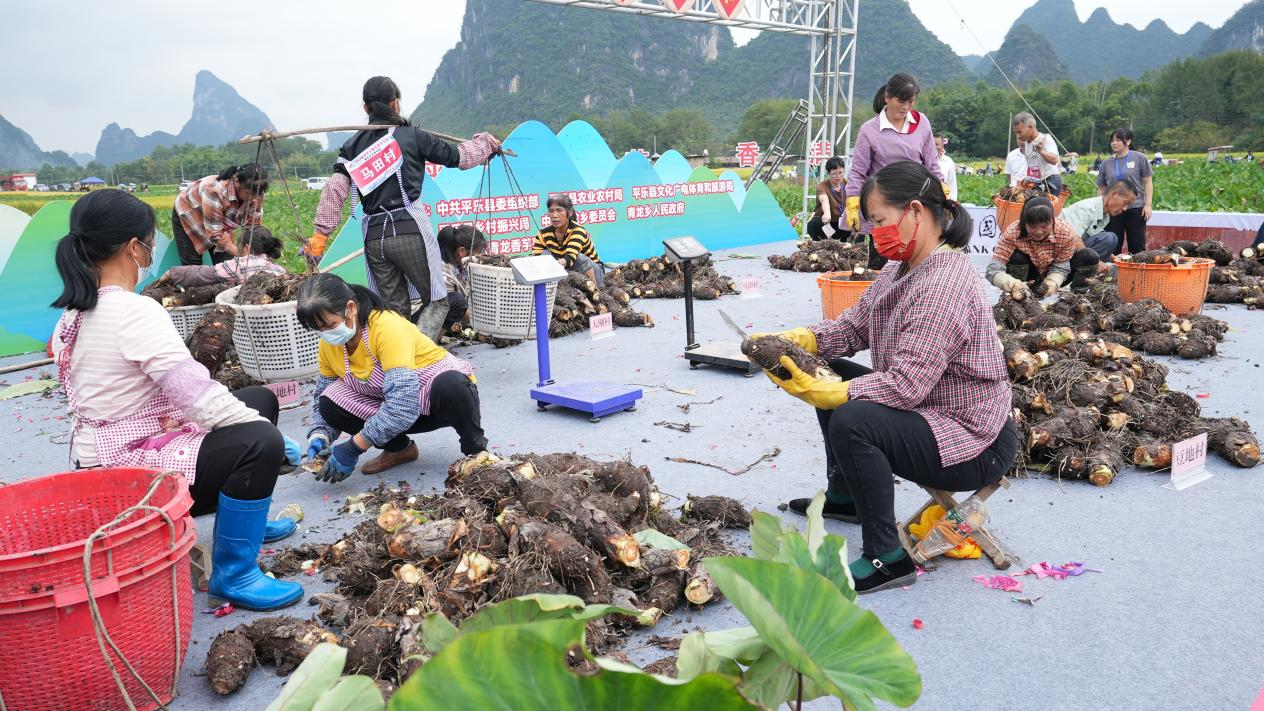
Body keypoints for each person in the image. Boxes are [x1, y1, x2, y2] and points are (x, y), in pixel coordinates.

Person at [758, 161, 1017, 594]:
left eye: (879, 221)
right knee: (833, 373)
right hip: (930, 409)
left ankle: (887, 558)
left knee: (852, 418)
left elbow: (904, 386)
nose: (874, 232)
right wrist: (799, 342)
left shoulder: (944, 286)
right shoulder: (903, 267)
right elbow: (854, 326)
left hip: (972, 439)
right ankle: (845, 495)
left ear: (915, 212)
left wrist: (832, 391)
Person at [50, 189, 304, 611]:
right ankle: (235, 573)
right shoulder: (134, 311)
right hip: (131, 482)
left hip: (103, 460)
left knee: (258, 399)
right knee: (261, 440)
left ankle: (247, 525)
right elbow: (197, 397)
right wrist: (270, 439)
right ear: (134, 247)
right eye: (150, 243)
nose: (151, 252)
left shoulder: (73, 314)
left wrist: (245, 418)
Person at [308, 76, 502, 341]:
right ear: (395, 104)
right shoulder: (413, 136)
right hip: (410, 232)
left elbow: (335, 190)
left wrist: (319, 239)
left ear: (366, 108)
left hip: (375, 239)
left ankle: (401, 359)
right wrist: (485, 144)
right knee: (437, 301)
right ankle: (420, 354)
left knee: (393, 312)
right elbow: (459, 157)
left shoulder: (351, 147)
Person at [297, 273, 488, 479]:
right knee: (328, 402)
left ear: (350, 308)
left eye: (329, 325)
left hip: (434, 404)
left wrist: (354, 447)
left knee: (452, 385)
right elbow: (322, 396)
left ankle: (477, 454)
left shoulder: (386, 327)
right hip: (388, 407)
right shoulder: (329, 344)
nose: (325, 334)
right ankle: (399, 449)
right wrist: (320, 434)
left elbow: (403, 405)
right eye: (318, 329)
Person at [844, 73, 944, 240]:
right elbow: (858, 172)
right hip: (884, 207)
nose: (906, 107)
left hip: (915, 206)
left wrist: (942, 189)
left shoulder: (922, 123)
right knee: (883, 261)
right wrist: (853, 199)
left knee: (916, 258)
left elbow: (932, 163)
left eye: (910, 102)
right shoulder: (869, 130)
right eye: (901, 101)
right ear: (887, 98)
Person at [987, 196, 1101, 296]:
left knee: (1089, 256)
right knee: (1016, 257)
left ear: (1052, 221)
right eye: (1032, 226)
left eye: (1044, 226)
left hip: (1055, 273)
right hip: (1026, 278)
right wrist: (1013, 284)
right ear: (1024, 222)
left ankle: (1079, 297)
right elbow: (993, 269)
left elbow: (1061, 266)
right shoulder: (1013, 232)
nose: (1038, 232)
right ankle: (1018, 296)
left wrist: (1052, 282)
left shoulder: (1065, 232)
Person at [173, 164, 268, 266]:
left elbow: (253, 225)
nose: (254, 198)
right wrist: (241, 254)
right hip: (190, 215)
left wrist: (255, 248)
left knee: (225, 264)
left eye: (258, 194)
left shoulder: (256, 193)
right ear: (237, 182)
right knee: (192, 265)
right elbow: (215, 234)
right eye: (248, 193)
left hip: (218, 221)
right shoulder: (215, 190)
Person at [160, 225, 287, 287]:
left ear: (247, 248)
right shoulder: (279, 270)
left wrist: (172, 273)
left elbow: (201, 274)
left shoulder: (240, 265)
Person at [1097, 128, 1154, 256]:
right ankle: (1113, 274)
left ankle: (1138, 273)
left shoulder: (1139, 158)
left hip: (1135, 208)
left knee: (1137, 245)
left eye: (1118, 140)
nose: (1114, 143)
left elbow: (1147, 182)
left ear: (1128, 141)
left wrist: (1148, 205)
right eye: (1112, 140)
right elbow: (1101, 188)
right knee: (1113, 244)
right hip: (1113, 210)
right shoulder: (1106, 163)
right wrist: (1099, 207)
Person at [532, 194, 604, 285]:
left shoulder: (578, 230)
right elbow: (535, 256)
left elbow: (570, 257)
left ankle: (595, 291)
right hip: (567, 270)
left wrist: (552, 266)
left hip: (594, 272)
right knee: (543, 255)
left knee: (579, 257)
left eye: (559, 210)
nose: (554, 215)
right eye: (551, 211)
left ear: (569, 213)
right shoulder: (543, 234)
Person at [1060, 182, 1139, 261]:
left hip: (1072, 250)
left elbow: (1094, 239)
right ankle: (1083, 269)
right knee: (1110, 238)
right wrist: (1095, 263)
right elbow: (1074, 238)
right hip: (1061, 250)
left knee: (1110, 239)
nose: (1125, 209)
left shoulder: (1105, 215)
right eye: (1125, 203)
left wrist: (1114, 259)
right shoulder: (1087, 208)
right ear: (1114, 194)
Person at [438, 224, 487, 335]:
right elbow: (458, 309)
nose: (479, 258)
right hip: (424, 319)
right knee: (457, 302)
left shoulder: (460, 266)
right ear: (462, 251)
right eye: (477, 254)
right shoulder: (444, 272)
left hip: (445, 317)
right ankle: (431, 342)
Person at [1013, 113, 1062, 195]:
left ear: (1030, 127)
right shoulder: (1026, 144)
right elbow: (1035, 168)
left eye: (1019, 132)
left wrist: (1041, 151)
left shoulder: (1045, 138)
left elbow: (1054, 160)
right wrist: (1030, 178)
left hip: (1051, 181)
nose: (1018, 136)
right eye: (1016, 133)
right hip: (1039, 183)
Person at [807, 157, 848, 239]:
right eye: (834, 173)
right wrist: (826, 213)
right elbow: (824, 199)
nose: (838, 176)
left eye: (840, 172)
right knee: (815, 224)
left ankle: (846, 245)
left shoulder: (847, 184)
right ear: (828, 173)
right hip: (826, 223)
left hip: (841, 223)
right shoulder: (822, 186)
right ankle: (822, 244)